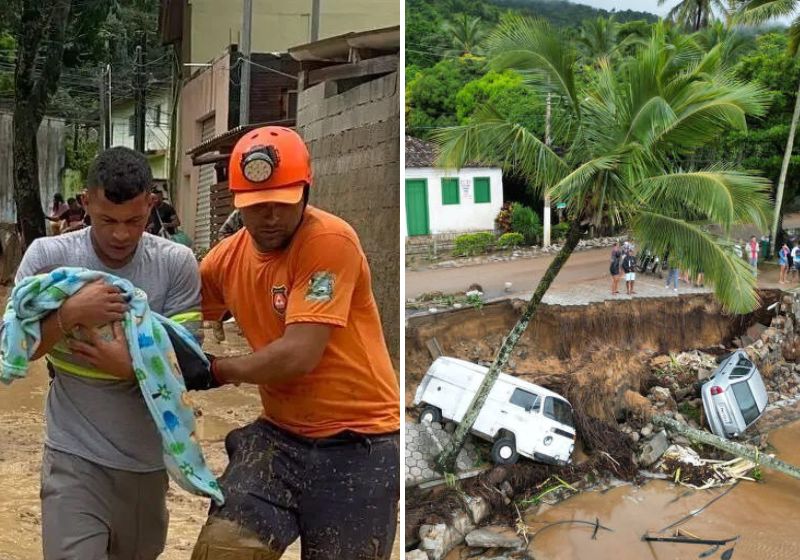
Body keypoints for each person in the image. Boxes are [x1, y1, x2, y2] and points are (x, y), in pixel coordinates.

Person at [190, 126, 400, 559]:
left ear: (306, 191)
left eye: (282, 203)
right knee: (224, 550)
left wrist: (216, 370)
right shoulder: (226, 260)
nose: (270, 217)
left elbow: (299, 355)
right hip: (279, 439)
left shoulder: (328, 241)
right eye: (256, 206)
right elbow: (176, 316)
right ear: (237, 202)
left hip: (360, 444)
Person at [13, 147, 202, 559]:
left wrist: (132, 368)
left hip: (146, 465)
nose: (120, 235)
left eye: (133, 221)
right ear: (86, 203)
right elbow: (14, 349)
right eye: (107, 221)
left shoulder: (176, 263)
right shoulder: (49, 258)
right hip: (73, 456)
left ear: (151, 204)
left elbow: (191, 363)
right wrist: (69, 314)